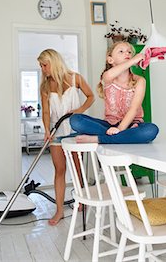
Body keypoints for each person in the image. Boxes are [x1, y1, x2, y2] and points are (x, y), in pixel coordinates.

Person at [38, 49, 94, 226]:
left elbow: (91, 97)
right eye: (40, 66)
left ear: (54, 62)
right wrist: (47, 129)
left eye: (44, 65)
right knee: (59, 171)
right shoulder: (45, 86)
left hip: (76, 131)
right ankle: (60, 210)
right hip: (57, 133)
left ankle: (81, 201)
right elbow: (46, 111)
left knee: (77, 171)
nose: (43, 69)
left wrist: (79, 111)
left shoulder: (75, 78)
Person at [70, 41, 159, 144]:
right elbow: (110, 74)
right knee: (75, 120)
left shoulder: (140, 81)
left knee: (151, 130)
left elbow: (134, 109)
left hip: (132, 125)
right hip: (109, 125)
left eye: (129, 52)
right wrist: (134, 60)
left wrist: (120, 129)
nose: (127, 54)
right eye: (121, 51)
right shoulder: (107, 77)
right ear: (110, 59)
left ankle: (100, 139)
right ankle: (121, 138)